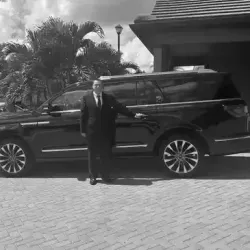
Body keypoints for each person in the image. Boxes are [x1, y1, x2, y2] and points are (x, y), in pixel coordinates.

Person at [80, 79, 144, 185]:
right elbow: (83, 115)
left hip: (106, 131)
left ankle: (105, 176)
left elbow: (120, 108)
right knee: (92, 154)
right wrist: (83, 130)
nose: (97, 87)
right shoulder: (86, 98)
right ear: (92, 86)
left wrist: (133, 114)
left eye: (99, 85)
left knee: (105, 154)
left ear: (102, 87)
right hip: (92, 131)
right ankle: (93, 176)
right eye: (95, 85)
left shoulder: (109, 98)